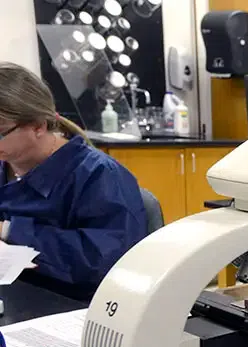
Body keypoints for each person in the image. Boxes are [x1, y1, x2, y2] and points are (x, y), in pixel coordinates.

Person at [0, 63, 148, 300]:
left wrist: (11, 230)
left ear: (39, 126)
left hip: (71, 307)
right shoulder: (6, 162)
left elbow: (102, 261)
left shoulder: (99, 176)